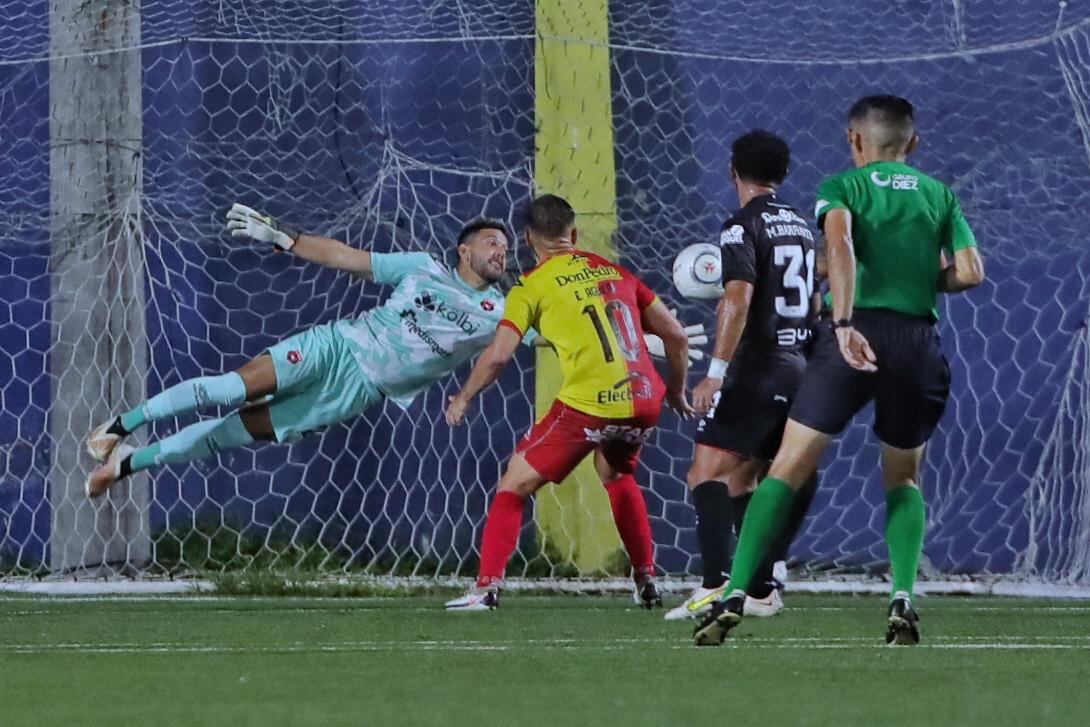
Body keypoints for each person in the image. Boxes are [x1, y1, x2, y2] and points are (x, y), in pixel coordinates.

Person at [694, 95, 985, 646]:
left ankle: (738, 590)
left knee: (785, 468)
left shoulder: (843, 188)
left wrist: (846, 320)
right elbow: (970, 273)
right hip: (917, 342)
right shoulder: (940, 195)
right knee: (902, 478)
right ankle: (901, 595)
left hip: (853, 336)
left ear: (855, 141)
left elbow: (840, 243)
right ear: (912, 144)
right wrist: (924, 282)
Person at [85, 206, 528, 495]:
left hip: (357, 392)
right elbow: (345, 257)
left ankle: (126, 465)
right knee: (229, 389)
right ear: (463, 250)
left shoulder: (503, 312)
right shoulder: (423, 268)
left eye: (506, 249)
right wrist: (283, 236)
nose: (501, 252)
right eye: (492, 242)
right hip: (336, 346)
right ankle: (120, 425)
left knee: (232, 433)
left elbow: (541, 337)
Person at [444, 194, 695, 610]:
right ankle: (647, 577)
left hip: (591, 403)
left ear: (528, 240)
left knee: (514, 483)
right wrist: (677, 390)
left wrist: (464, 397)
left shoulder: (530, 286)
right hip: (643, 398)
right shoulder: (616, 271)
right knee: (614, 473)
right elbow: (677, 336)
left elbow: (500, 354)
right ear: (573, 234)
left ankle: (486, 587)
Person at [665, 130, 819, 622]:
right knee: (744, 482)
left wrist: (714, 373)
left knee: (705, 473)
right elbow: (813, 301)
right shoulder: (800, 226)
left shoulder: (739, 227)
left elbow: (737, 297)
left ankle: (714, 587)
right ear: (782, 174)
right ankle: (760, 588)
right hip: (798, 365)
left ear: (733, 171)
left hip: (757, 369)